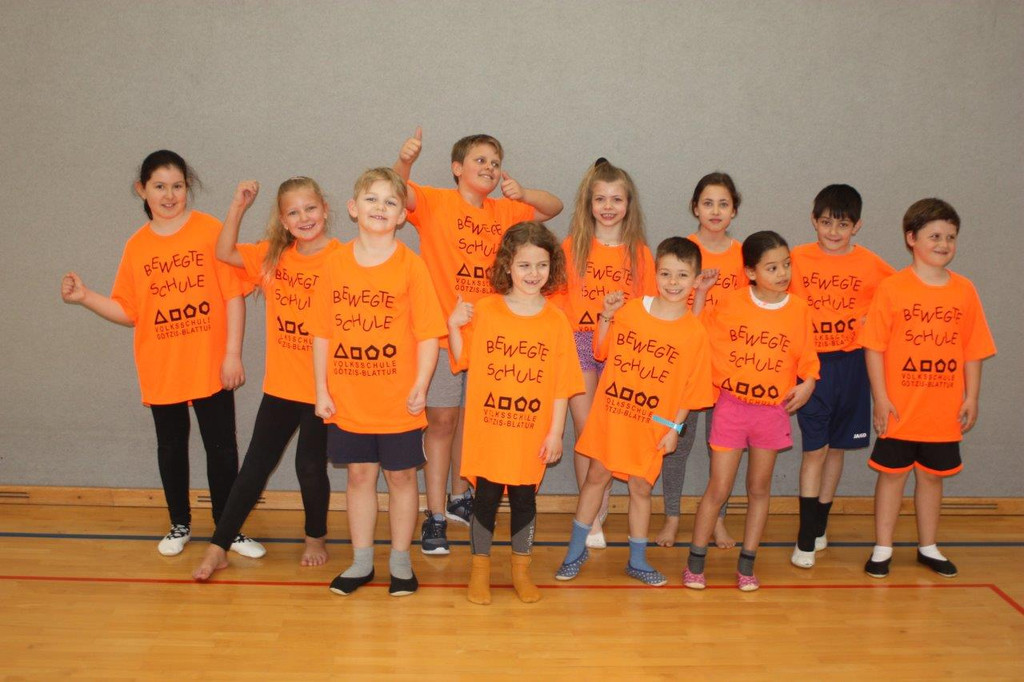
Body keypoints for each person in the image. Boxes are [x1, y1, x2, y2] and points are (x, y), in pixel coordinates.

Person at [61, 150, 253, 557]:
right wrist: (86, 297)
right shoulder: (137, 246)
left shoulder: (209, 230)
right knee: (171, 445)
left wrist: (232, 354)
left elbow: (233, 295)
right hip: (162, 365)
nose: (169, 195)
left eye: (177, 186)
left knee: (222, 447)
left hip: (210, 363)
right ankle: (179, 523)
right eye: (160, 186)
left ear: (188, 187)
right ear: (142, 190)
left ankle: (228, 529)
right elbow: (129, 311)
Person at [394, 128, 563, 554]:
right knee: (442, 423)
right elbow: (396, 191)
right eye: (480, 160)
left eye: (495, 162)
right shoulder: (434, 201)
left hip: (492, 339)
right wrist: (405, 161)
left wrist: (523, 192)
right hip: (443, 334)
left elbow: (554, 206)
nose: (489, 168)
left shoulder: (505, 210)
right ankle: (434, 515)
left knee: (472, 422)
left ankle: (459, 497)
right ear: (457, 168)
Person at [192, 177, 338, 581]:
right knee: (255, 466)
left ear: (325, 209)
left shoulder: (343, 258)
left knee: (310, 466)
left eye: (310, 208)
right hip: (282, 386)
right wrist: (238, 206)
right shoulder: (273, 257)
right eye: (294, 212)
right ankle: (219, 546)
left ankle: (315, 538)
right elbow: (223, 251)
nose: (304, 217)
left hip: (324, 388)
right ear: (283, 220)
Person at [311, 168, 446, 597]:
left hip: (398, 401)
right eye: (372, 199)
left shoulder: (412, 266)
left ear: (402, 215)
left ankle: (401, 563)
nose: (380, 208)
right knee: (359, 476)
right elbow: (321, 333)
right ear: (353, 208)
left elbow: (428, 334)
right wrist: (321, 390)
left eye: (391, 202)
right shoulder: (334, 264)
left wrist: (421, 384)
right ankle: (362, 562)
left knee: (402, 478)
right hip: (349, 399)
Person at [555, 237, 713, 585]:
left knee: (641, 487)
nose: (673, 282)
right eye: (666, 274)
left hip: (653, 424)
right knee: (596, 476)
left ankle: (637, 561)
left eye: (682, 275)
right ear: (655, 274)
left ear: (695, 280)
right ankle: (575, 551)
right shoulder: (630, 310)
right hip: (613, 415)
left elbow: (693, 390)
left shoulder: (694, 333)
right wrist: (606, 317)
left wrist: (674, 428)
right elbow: (600, 351)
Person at [448, 222, 584, 604]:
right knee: (486, 499)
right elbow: (463, 358)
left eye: (541, 265)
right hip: (490, 430)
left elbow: (562, 385)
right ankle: (479, 571)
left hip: (531, 432)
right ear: (508, 265)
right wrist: (453, 324)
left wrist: (555, 432)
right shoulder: (487, 310)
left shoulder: (556, 320)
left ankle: (521, 571)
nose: (533, 273)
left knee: (525, 500)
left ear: (552, 267)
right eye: (524, 265)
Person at [860, 199, 995, 580]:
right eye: (934, 236)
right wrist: (881, 398)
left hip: (943, 409)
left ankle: (928, 546)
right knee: (892, 475)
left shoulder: (965, 290)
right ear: (911, 238)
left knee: (933, 477)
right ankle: (882, 547)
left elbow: (973, 349)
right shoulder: (892, 288)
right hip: (900, 408)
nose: (943, 243)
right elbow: (874, 348)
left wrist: (972, 396)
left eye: (950, 237)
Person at [685, 231, 819, 591]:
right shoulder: (731, 303)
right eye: (772, 267)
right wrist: (701, 293)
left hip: (771, 413)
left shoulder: (798, 309)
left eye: (786, 265)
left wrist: (808, 383)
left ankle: (747, 564)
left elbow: (808, 358)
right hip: (732, 408)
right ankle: (695, 562)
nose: (782, 273)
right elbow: (696, 332)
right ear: (750, 272)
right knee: (719, 487)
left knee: (759, 488)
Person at [787, 185, 894, 568]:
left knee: (835, 449)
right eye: (826, 222)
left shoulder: (872, 264)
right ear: (814, 221)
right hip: (811, 366)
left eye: (843, 224)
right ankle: (805, 538)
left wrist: (872, 320)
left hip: (852, 366)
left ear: (857, 226)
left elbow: (898, 297)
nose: (834, 232)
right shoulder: (796, 258)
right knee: (814, 449)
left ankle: (819, 526)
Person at [555, 158, 656, 550]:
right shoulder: (572, 248)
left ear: (628, 204)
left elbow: (650, 307)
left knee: (612, 431)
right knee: (588, 433)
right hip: (580, 342)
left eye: (616, 199)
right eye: (601, 199)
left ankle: (601, 497)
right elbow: (557, 301)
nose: (608, 206)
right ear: (589, 203)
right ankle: (591, 514)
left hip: (623, 349)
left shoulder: (639, 254)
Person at [657, 172, 746, 549]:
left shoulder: (743, 255)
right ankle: (672, 517)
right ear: (695, 207)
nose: (715, 211)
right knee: (677, 444)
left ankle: (718, 520)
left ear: (734, 210)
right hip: (686, 365)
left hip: (728, 366)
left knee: (721, 449)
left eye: (723, 204)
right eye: (708, 203)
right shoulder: (683, 251)